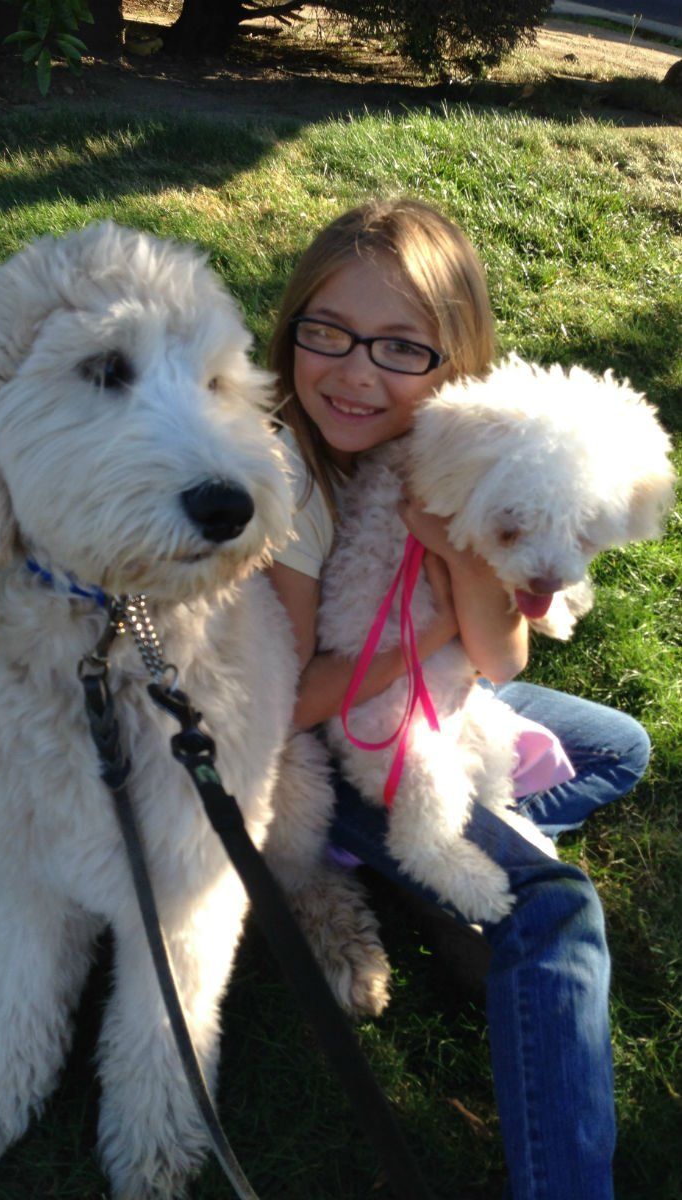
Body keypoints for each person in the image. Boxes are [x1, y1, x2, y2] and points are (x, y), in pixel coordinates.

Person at [265, 197, 651, 1200]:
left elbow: (507, 658)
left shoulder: (464, 461)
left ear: (453, 367)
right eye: (330, 333)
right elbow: (286, 701)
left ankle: (418, 859)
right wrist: (432, 630)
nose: (356, 371)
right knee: (557, 910)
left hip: (447, 703)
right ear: (293, 324)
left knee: (619, 745)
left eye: (401, 348)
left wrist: (463, 570)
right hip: (326, 736)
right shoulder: (291, 485)